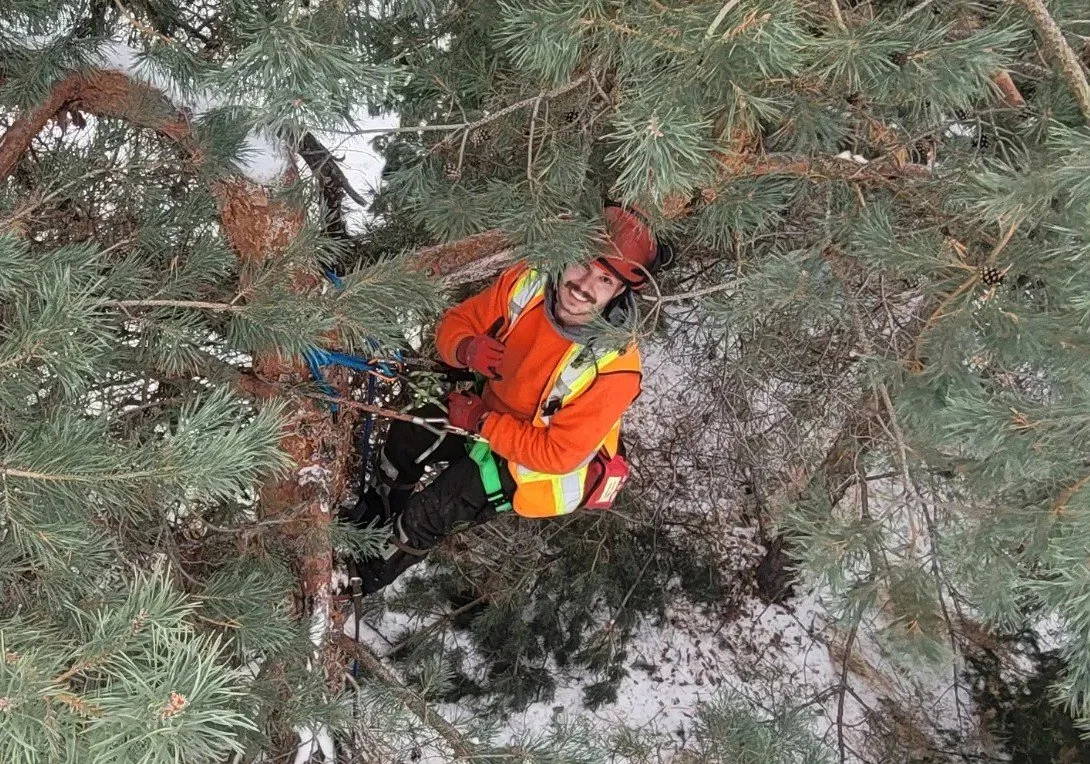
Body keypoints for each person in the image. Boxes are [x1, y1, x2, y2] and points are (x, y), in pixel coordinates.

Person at [343, 204, 664, 593]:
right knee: (410, 431)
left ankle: (360, 577)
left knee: (436, 508)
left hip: (534, 464)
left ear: (618, 294)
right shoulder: (527, 284)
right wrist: (464, 349)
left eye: (604, 281)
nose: (583, 286)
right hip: (489, 413)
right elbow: (457, 323)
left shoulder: (614, 369)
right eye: (581, 263)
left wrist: (481, 422)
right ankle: (376, 513)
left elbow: (558, 455)